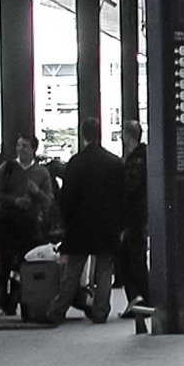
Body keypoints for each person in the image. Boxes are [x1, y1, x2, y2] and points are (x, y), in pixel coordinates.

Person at [57, 117, 125, 324]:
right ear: (99, 133)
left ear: (83, 134)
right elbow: (121, 196)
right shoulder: (114, 163)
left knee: (73, 271)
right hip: (106, 225)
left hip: (80, 225)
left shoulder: (76, 163)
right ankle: (100, 311)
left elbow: (67, 197)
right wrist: (120, 223)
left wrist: (66, 222)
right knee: (104, 270)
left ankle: (57, 310)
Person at [0, 133, 58, 315]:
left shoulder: (41, 173)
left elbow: (48, 201)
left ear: (33, 150)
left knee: (27, 262)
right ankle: (6, 301)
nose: (20, 149)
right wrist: (14, 201)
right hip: (7, 222)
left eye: (25, 146)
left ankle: (23, 298)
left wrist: (35, 192)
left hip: (30, 225)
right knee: (5, 262)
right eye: (19, 145)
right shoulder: (6, 169)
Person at [116, 119, 149, 308]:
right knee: (132, 258)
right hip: (139, 215)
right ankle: (138, 298)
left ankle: (141, 297)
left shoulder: (136, 159)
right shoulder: (142, 156)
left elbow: (130, 187)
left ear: (127, 136)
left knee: (132, 258)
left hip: (133, 216)